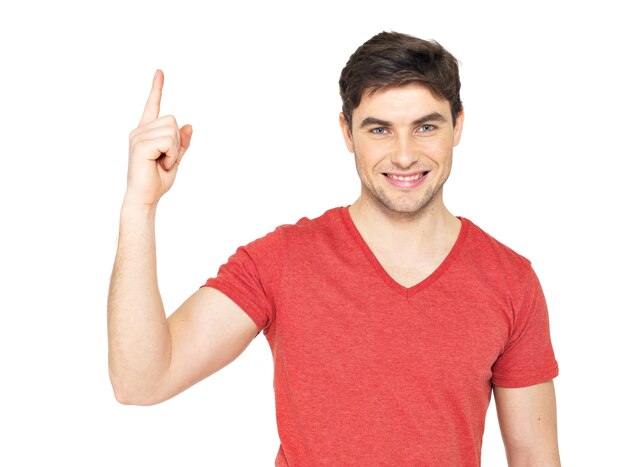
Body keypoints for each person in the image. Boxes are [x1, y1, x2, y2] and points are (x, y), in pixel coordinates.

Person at [108, 31, 560, 466]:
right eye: (379, 130)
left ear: (457, 126)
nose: (404, 155)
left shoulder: (510, 281)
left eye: (425, 126)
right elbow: (141, 380)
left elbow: (535, 458)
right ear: (347, 133)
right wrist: (139, 205)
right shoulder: (282, 261)